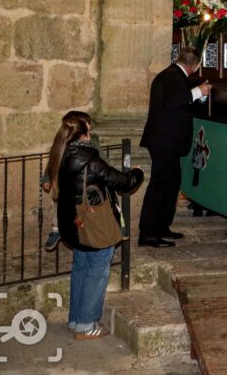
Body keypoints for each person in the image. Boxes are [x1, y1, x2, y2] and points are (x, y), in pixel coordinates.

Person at [48, 113, 144, 339]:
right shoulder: (90, 160)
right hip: (93, 226)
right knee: (97, 272)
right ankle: (86, 325)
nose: (91, 136)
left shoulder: (59, 154)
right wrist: (137, 172)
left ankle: (76, 320)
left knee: (81, 269)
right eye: (89, 132)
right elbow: (124, 182)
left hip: (73, 224)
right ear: (83, 135)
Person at [138, 47, 210, 248]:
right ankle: (148, 233)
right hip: (164, 142)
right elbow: (172, 102)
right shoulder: (173, 77)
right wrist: (199, 91)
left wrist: (199, 95)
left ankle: (162, 226)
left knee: (171, 184)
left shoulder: (171, 75)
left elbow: (181, 104)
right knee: (159, 186)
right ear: (195, 66)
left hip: (167, 142)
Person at [42, 111, 98, 252]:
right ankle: (57, 229)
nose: (89, 126)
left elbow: (101, 160)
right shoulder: (61, 144)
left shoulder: (93, 141)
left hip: (84, 184)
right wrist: (47, 178)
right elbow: (53, 161)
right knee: (62, 205)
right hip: (65, 184)